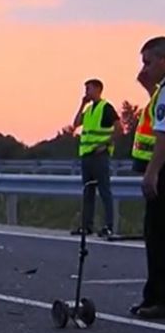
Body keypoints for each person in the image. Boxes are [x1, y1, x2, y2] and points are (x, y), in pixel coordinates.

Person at [131, 36, 165, 319]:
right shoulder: (160, 91)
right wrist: (149, 87)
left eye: (148, 62)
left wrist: (151, 172)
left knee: (157, 237)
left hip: (162, 171)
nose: (144, 68)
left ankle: (157, 300)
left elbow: (163, 134)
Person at [70, 79, 119, 237]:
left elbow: (119, 129)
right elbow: (76, 124)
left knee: (104, 192)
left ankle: (109, 226)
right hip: (87, 156)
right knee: (88, 192)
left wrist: (105, 145)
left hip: (100, 156)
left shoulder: (106, 108)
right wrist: (82, 105)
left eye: (88, 89)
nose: (86, 92)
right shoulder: (90, 109)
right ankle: (86, 226)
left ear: (98, 89)